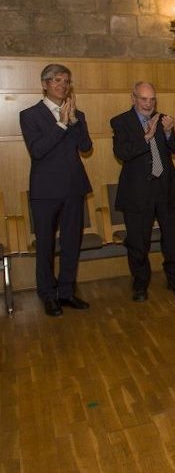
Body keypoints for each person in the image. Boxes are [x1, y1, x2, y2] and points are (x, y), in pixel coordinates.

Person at [20, 64, 93, 317]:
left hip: (74, 188)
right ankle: (48, 295)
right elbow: (37, 150)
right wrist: (60, 125)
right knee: (46, 245)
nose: (63, 85)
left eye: (66, 81)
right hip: (46, 190)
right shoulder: (30, 115)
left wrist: (73, 122)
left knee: (72, 242)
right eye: (57, 80)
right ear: (45, 84)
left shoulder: (77, 114)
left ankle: (66, 291)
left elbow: (86, 147)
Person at [111, 81, 175, 302]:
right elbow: (122, 153)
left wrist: (169, 132)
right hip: (137, 192)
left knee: (173, 240)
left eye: (152, 99)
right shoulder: (121, 121)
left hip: (166, 189)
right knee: (138, 243)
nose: (148, 104)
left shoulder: (163, 119)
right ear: (133, 98)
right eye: (144, 99)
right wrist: (147, 137)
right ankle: (140, 284)